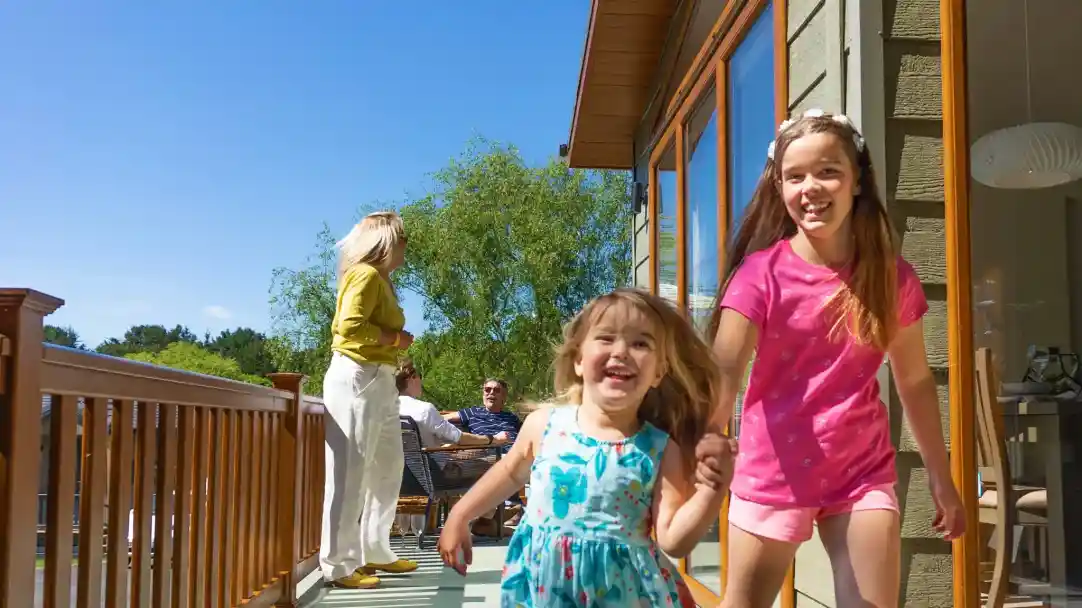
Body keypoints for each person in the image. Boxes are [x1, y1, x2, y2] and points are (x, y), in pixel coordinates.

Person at [708, 109, 965, 607]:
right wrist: (698, 453)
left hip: (860, 471)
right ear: (779, 187)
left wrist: (941, 475)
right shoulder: (760, 275)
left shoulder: (892, 278)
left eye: (828, 171)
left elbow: (913, 381)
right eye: (794, 176)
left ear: (857, 181)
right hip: (772, 472)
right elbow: (723, 374)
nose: (811, 187)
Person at [438, 288, 738, 607]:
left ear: (659, 372)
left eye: (640, 343)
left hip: (622, 594)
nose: (621, 351)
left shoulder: (660, 449)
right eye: (607, 338)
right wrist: (461, 514)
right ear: (579, 360)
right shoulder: (545, 425)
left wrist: (712, 490)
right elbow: (509, 472)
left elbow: (673, 541)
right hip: (544, 589)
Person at [319, 211, 418, 589]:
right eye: (402, 238)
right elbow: (350, 326)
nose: (406, 245)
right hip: (357, 375)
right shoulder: (365, 274)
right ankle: (339, 565)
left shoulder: (381, 280)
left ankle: (375, 550)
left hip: (379, 378)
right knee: (350, 474)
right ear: (386, 242)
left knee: (388, 467)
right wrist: (396, 340)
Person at [395, 359, 506, 448]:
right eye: (419, 376)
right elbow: (459, 438)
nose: (421, 380)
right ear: (412, 378)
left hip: (403, 471)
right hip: (432, 470)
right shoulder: (424, 409)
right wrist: (493, 439)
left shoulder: (386, 409)